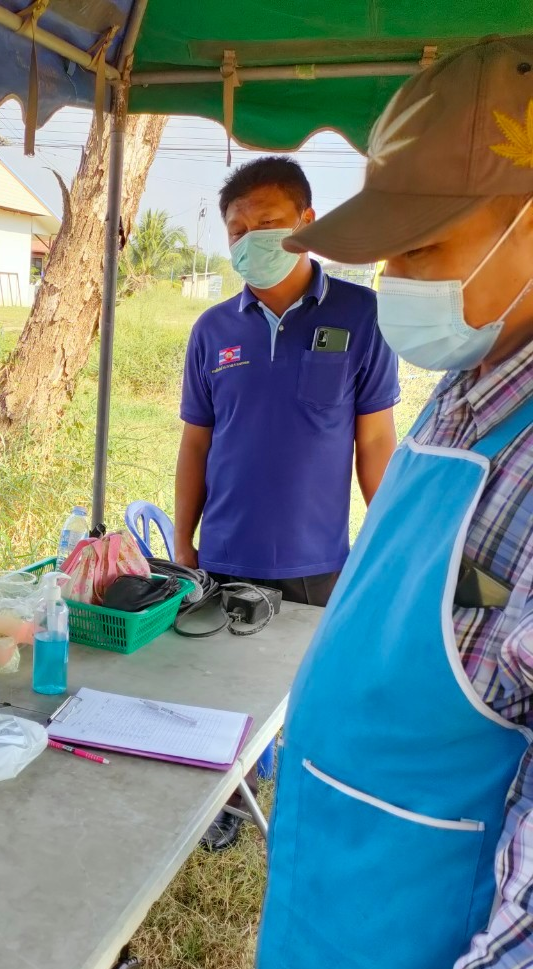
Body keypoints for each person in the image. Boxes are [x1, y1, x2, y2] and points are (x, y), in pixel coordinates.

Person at [256, 38, 533, 969]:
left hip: (430, 910)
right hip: (369, 857)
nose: (399, 283)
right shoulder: (477, 378)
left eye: (426, 248)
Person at [175, 156, 400, 850]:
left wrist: (386, 544)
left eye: (268, 223)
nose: (252, 240)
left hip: (318, 560)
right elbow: (194, 448)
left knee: (315, 695)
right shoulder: (214, 330)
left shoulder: (361, 315)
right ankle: (229, 808)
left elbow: (375, 443)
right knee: (225, 695)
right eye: (238, 229)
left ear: (307, 222)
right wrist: (183, 545)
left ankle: (306, 808)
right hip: (228, 553)